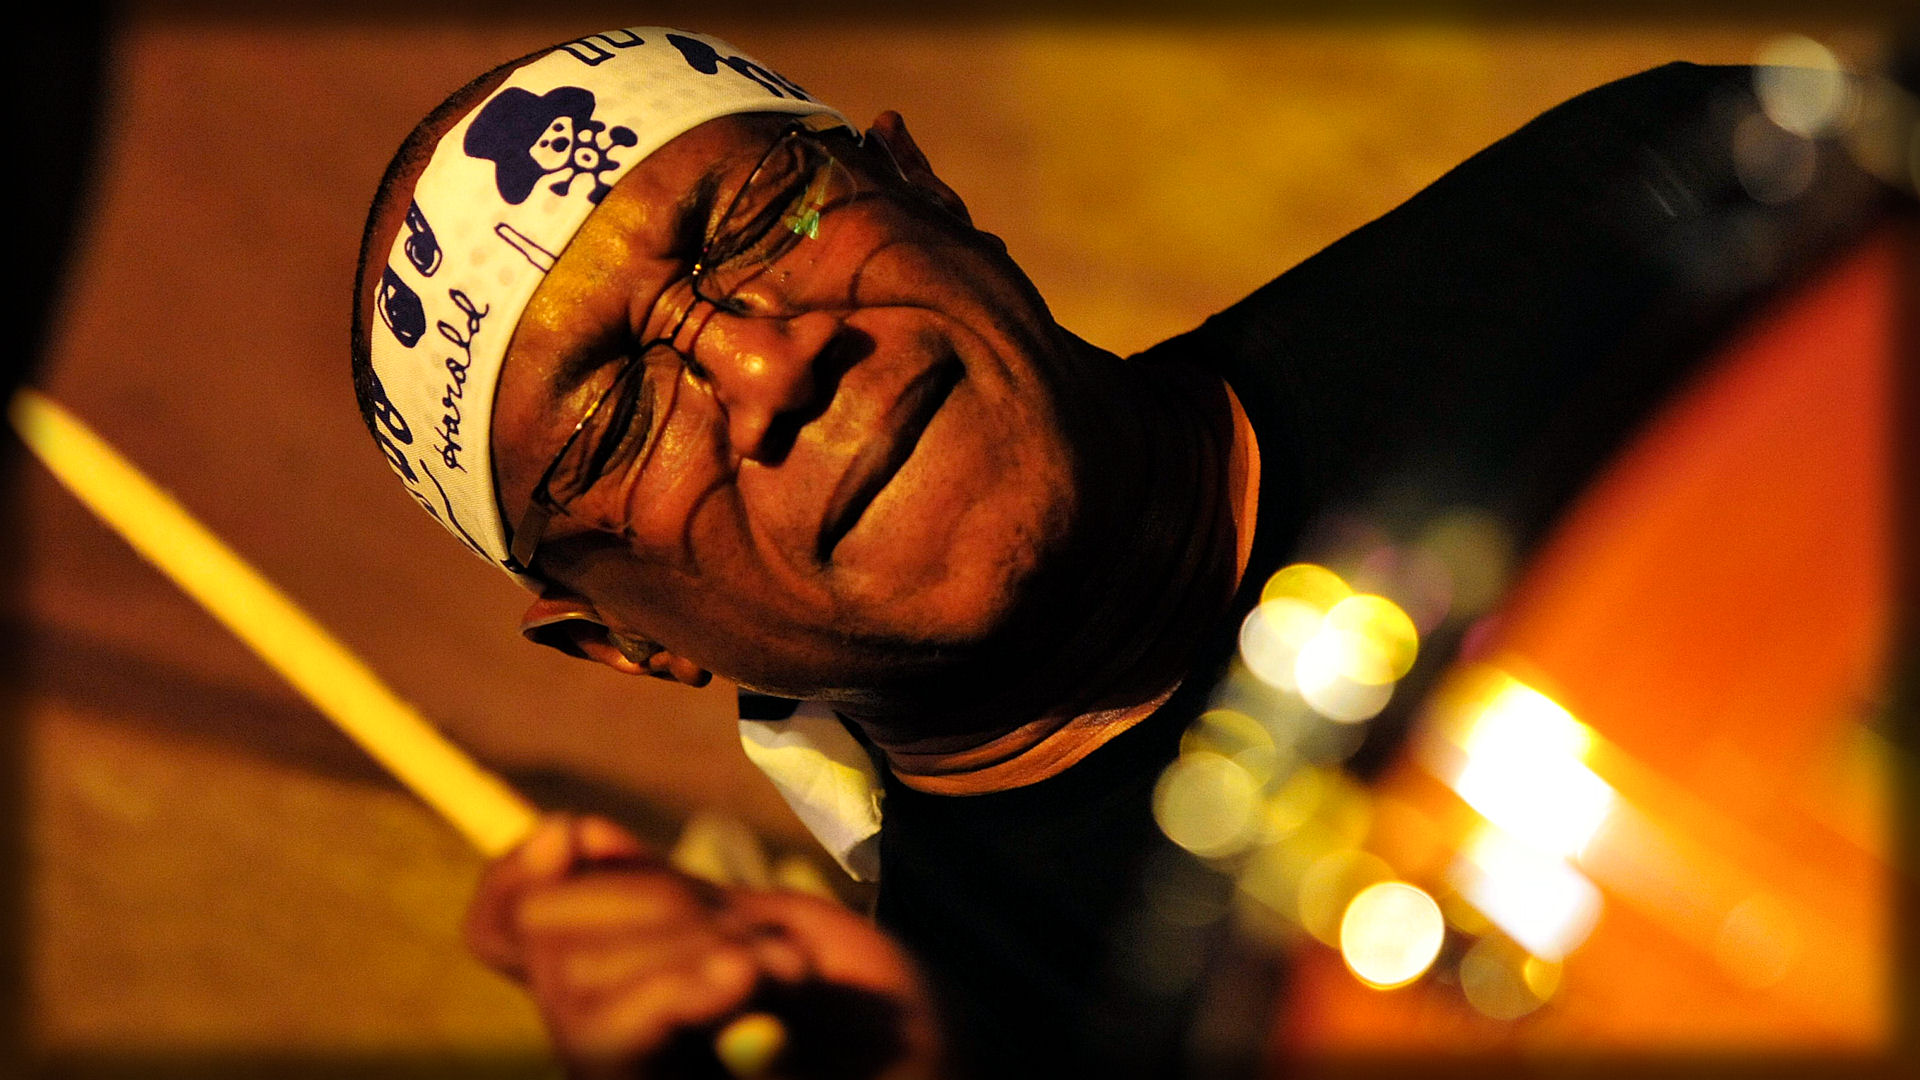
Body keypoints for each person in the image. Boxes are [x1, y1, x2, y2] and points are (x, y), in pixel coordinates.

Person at [350, 26, 1896, 1079]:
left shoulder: (1640, 231)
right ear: (626, 645)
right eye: (619, 417)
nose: (766, 366)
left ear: (920, 186)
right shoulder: (952, 1029)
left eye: (761, 221)